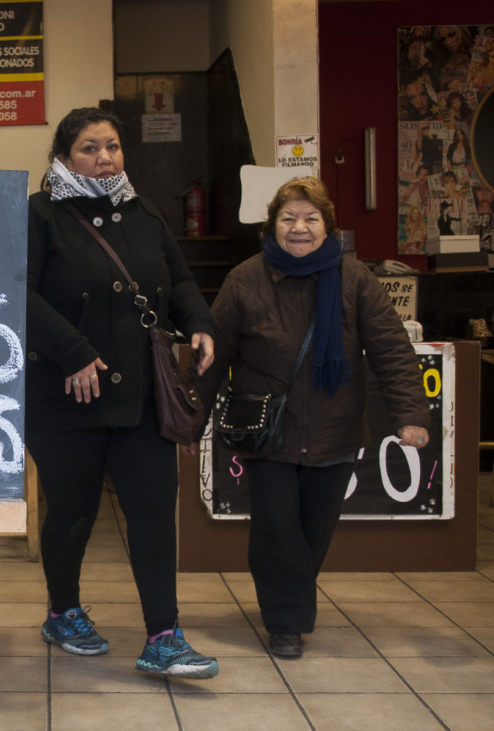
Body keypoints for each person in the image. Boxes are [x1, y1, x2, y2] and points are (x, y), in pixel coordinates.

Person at [198, 177, 430, 660]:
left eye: (310, 219)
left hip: (335, 431)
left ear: (327, 227)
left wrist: (410, 414)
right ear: (272, 225)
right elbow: (213, 358)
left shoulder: (356, 279)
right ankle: (287, 622)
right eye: (288, 219)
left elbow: (391, 349)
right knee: (276, 531)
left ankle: (289, 603)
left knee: (313, 532)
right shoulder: (245, 279)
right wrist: (188, 419)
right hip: (268, 434)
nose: (298, 229)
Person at [26, 106, 219, 679]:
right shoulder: (40, 215)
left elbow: (178, 280)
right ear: (63, 156)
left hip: (140, 396)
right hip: (65, 396)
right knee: (71, 514)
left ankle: (164, 636)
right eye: (89, 148)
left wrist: (201, 321)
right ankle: (63, 612)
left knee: (154, 512)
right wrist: (75, 350)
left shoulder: (145, 213)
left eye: (112, 146)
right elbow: (18, 293)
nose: (104, 158)